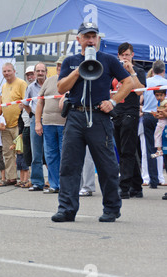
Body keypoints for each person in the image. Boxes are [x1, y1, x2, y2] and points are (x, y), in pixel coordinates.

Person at [52, 22, 134, 223]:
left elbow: (129, 82)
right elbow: (61, 88)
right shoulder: (71, 61)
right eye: (86, 36)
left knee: (107, 166)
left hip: (99, 117)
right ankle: (67, 209)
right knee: (69, 165)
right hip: (75, 116)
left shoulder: (107, 60)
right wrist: (77, 71)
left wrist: (113, 101)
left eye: (93, 36)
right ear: (78, 39)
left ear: (97, 39)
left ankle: (112, 208)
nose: (90, 40)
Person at [112, 42, 146, 199]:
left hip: (130, 114)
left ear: (132, 55)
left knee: (127, 151)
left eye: (127, 54)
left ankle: (124, 186)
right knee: (123, 151)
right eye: (122, 55)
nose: (124, 57)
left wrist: (131, 71)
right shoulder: (114, 71)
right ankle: (137, 186)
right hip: (116, 113)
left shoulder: (138, 70)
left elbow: (140, 91)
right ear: (118, 55)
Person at [35, 57, 66, 194]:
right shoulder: (49, 81)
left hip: (64, 124)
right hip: (48, 124)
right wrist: (37, 122)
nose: (59, 67)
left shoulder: (71, 81)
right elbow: (40, 102)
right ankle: (54, 184)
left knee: (64, 154)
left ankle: (65, 185)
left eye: (62, 65)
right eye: (58, 65)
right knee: (50, 155)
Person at [0, 63, 27, 186]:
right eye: (4, 71)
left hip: (18, 124)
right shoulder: (4, 86)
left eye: (9, 71)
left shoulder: (21, 83)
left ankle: (24, 179)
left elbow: (26, 102)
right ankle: (11, 178)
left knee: (21, 151)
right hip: (6, 125)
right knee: (7, 153)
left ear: (14, 71)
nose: (7, 73)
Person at [141, 60, 167, 189]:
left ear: (152, 69)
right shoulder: (166, 83)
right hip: (163, 117)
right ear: (163, 70)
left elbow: (141, 96)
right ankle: (162, 177)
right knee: (163, 147)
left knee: (150, 148)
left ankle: (153, 179)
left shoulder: (147, 82)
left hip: (148, 115)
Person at [22, 62, 47, 192]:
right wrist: (32, 114)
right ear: (35, 72)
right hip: (35, 121)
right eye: (38, 71)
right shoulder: (31, 87)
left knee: (51, 153)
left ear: (46, 72)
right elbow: (25, 103)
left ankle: (54, 182)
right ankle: (37, 182)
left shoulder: (51, 84)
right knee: (36, 153)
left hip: (49, 121)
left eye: (43, 71)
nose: (40, 73)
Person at [151, 89, 167, 159]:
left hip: (163, 122)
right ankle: (159, 150)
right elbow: (159, 115)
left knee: (158, 135)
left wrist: (161, 112)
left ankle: (159, 150)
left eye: (161, 95)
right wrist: (155, 114)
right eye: (157, 95)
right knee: (157, 135)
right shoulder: (158, 103)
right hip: (160, 121)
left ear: (165, 95)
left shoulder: (165, 102)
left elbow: (164, 113)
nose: (159, 97)